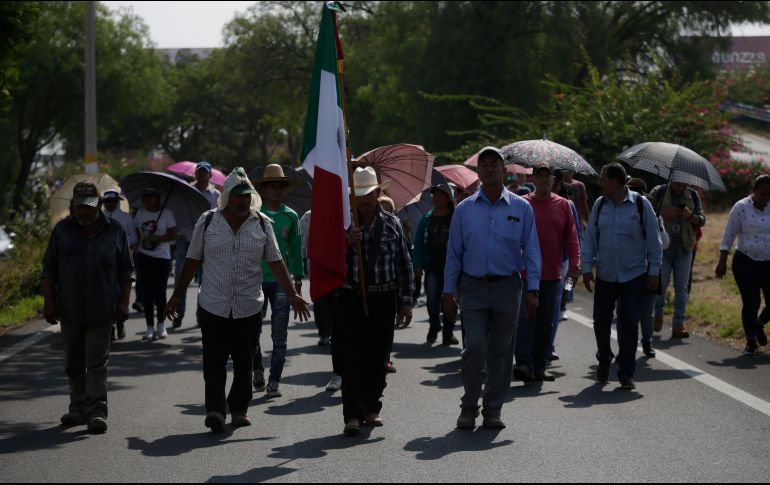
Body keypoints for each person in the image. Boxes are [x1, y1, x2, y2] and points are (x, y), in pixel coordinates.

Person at [166, 168, 310, 431]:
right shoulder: (208, 221)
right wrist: (176, 295)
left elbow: (276, 262)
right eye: (238, 196)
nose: (244, 201)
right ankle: (215, 410)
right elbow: (192, 259)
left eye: (247, 196)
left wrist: (293, 295)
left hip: (248, 306)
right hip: (213, 305)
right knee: (214, 362)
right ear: (227, 198)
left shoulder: (263, 223)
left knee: (244, 361)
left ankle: (239, 409)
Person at [444, 146, 541, 430]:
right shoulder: (464, 210)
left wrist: (533, 289)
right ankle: (469, 406)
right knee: (474, 348)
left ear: (503, 169)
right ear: (478, 171)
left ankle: (493, 409)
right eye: (483, 164)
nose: (488, 168)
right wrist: (447, 292)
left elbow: (532, 250)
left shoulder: (522, 208)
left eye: (493, 164)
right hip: (472, 287)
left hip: (507, 287)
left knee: (501, 351)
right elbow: (454, 254)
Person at [42, 181, 134, 434]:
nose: (84, 212)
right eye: (79, 207)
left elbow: (126, 272)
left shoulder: (115, 230)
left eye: (89, 207)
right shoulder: (62, 230)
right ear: (73, 206)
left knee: (96, 362)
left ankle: (96, 412)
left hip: (102, 310)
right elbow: (48, 271)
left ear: (100, 205)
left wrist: (124, 303)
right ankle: (76, 408)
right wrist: (48, 303)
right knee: (73, 362)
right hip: (69, 309)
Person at [332, 167, 415, 436]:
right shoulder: (343, 225)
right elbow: (325, 263)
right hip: (351, 296)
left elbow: (404, 264)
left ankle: (372, 408)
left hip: (384, 296)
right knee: (352, 356)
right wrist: (345, 243)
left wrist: (406, 301)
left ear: (378, 193)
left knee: (378, 356)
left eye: (368, 194)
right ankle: (352, 414)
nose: (364, 200)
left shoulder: (392, 224)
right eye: (358, 195)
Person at [582, 163, 662, 390]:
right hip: (606, 274)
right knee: (601, 321)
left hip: (634, 273)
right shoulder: (599, 205)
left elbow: (653, 242)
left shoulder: (640, 204)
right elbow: (590, 239)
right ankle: (604, 358)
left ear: (615, 182)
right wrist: (587, 268)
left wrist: (653, 272)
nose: (600, 183)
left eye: (603, 178)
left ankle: (626, 372)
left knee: (628, 321)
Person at [511, 162, 580, 383]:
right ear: (532, 179)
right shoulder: (522, 204)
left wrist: (576, 264)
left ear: (553, 180)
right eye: (538, 176)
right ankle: (523, 363)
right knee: (524, 319)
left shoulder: (564, 205)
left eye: (547, 176)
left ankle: (539, 366)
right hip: (524, 273)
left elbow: (571, 237)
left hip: (552, 273)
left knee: (545, 321)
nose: (543, 180)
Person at [252, 164, 305, 398]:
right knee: (252, 332)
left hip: (282, 283)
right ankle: (257, 371)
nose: (275, 190)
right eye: (271, 186)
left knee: (279, 334)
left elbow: (295, 250)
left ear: (284, 190)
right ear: (263, 190)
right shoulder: (253, 214)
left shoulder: (291, 216)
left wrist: (298, 279)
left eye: (279, 186)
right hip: (254, 281)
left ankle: (274, 381)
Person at [715, 174, 770, 356]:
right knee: (752, 302)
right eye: (762, 194)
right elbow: (729, 234)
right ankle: (751, 341)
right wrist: (722, 260)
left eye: (769, 194)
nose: (765, 198)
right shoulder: (741, 207)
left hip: (768, 262)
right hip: (746, 261)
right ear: (754, 191)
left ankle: (759, 323)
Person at [649, 180, 705, 339]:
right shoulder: (658, 191)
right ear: (672, 180)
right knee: (660, 286)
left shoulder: (692, 195)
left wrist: (691, 216)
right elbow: (646, 214)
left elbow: (702, 219)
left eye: (685, 185)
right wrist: (664, 214)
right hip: (662, 249)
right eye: (678, 184)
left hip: (685, 248)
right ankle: (657, 313)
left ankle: (678, 324)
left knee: (682, 288)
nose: (682, 188)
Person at [173, 161, 221, 328]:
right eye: (199, 172)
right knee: (181, 278)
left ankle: (202, 315)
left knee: (205, 280)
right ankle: (178, 313)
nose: (201, 175)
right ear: (195, 174)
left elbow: (218, 218)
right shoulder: (186, 192)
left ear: (210, 175)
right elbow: (177, 213)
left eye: (204, 172)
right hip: (185, 239)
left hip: (207, 242)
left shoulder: (215, 195)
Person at [627, 178, 670, 358]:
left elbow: (665, 244)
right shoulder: (622, 214)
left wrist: (659, 228)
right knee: (628, 312)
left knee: (646, 311)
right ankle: (627, 345)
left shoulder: (654, 214)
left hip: (649, 271)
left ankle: (647, 341)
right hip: (628, 270)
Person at [413, 184, 460, 346]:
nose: (437, 198)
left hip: (453, 269)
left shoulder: (456, 217)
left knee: (451, 300)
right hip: (432, 267)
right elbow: (418, 243)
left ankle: (448, 332)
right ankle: (434, 325)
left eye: (440, 195)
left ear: (448, 198)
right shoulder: (426, 218)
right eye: (434, 195)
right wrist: (418, 264)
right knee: (432, 300)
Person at [134, 187, 177, 341]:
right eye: (146, 197)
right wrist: (140, 243)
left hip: (162, 257)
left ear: (157, 198)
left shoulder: (167, 213)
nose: (149, 200)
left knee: (160, 292)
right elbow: (137, 231)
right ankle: (149, 327)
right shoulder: (140, 213)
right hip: (144, 256)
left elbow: (173, 233)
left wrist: (157, 239)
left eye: (152, 196)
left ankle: (161, 324)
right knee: (147, 293)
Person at [102, 189, 137, 341]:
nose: (110, 204)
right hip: (103, 264)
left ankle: (120, 322)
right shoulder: (98, 218)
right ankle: (110, 327)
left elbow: (134, 239)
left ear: (117, 202)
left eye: (112, 201)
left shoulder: (125, 218)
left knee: (119, 293)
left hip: (121, 262)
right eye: (107, 201)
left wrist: (122, 242)